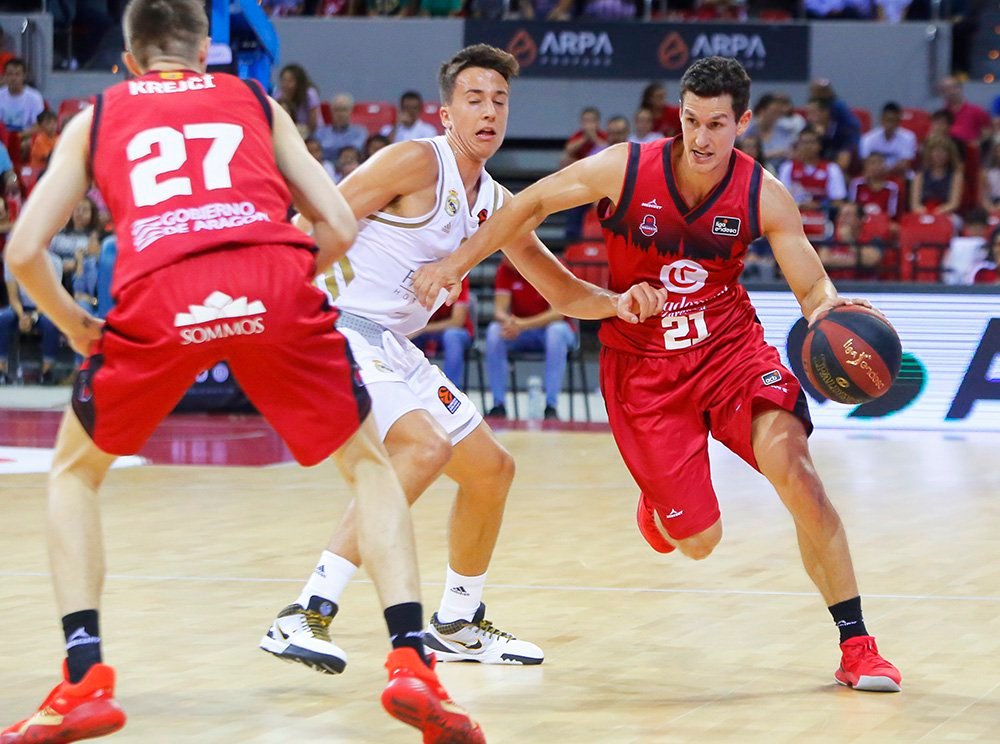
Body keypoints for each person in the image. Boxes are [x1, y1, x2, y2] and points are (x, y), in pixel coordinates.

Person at [1, 2, 486, 742]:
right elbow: (339, 224)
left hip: (159, 289)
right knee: (370, 466)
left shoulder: (97, 115)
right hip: (273, 278)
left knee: (74, 472)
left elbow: (23, 252)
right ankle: (411, 662)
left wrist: (75, 327)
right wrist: (289, 281)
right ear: (206, 53)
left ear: (130, 62)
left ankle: (84, 678)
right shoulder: (253, 100)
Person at [412, 55, 902, 694]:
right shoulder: (626, 166)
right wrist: (458, 261)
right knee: (698, 542)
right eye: (691, 120)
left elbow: (808, 281)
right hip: (643, 371)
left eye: (717, 124)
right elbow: (527, 204)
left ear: (743, 123)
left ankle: (857, 645)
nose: (701, 138)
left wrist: (826, 307)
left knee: (797, 472)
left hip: (730, 353)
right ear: (679, 113)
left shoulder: (763, 194)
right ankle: (660, 502)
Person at [262, 43, 663, 675]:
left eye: (500, 101)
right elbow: (319, 215)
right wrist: (274, 305)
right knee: (424, 448)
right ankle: (306, 610)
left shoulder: (496, 204)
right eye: (474, 99)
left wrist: (620, 304)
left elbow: (560, 291)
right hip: (336, 327)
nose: (489, 112)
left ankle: (457, 622)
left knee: (491, 471)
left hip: (393, 345)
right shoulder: (415, 161)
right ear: (446, 113)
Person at [484, 257, 577, 420]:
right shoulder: (505, 270)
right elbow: (499, 310)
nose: (504, 259)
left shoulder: (551, 265)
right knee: (494, 331)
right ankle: (498, 404)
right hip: (521, 331)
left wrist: (522, 324)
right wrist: (510, 323)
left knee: (555, 332)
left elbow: (558, 314)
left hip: (553, 329)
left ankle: (551, 405)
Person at [409, 276, 474, 386]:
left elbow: (456, 322)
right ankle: (408, 388)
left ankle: (450, 389)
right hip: (425, 332)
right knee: (402, 336)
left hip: (456, 333)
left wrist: (422, 329)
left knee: (452, 336)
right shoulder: (423, 274)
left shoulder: (459, 276)